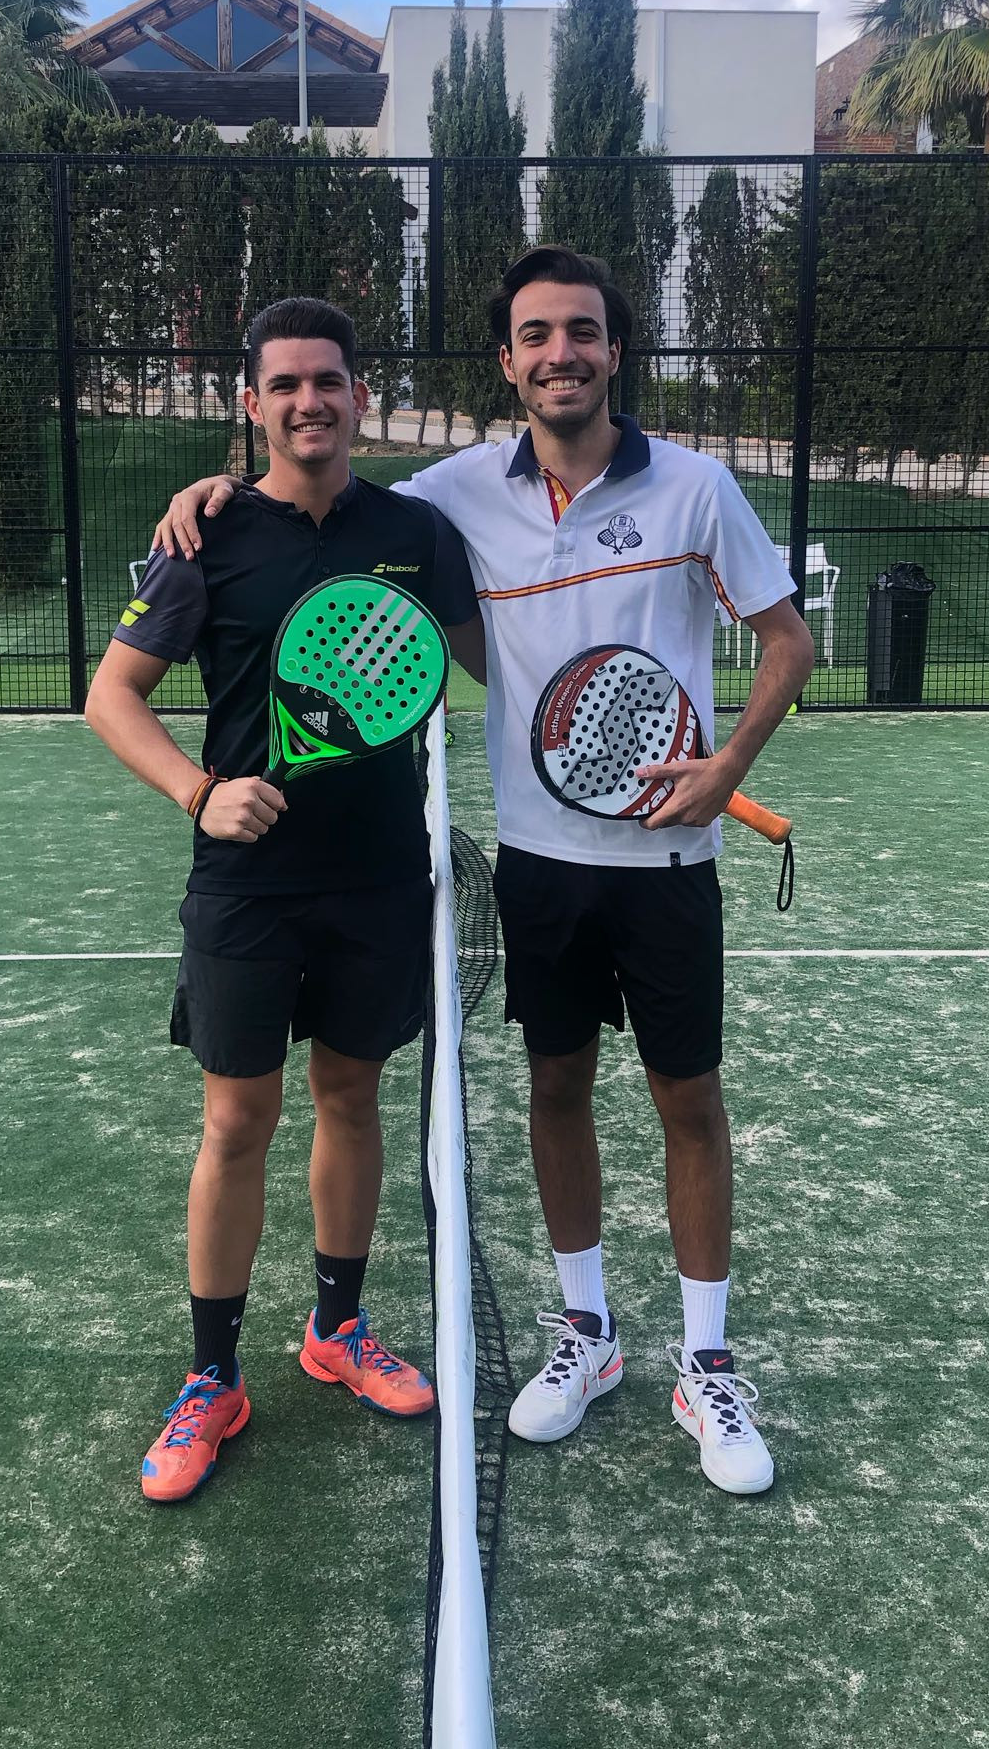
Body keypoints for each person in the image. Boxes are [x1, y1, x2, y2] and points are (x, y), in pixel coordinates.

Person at [154, 248, 815, 1496]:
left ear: (615, 350)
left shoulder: (696, 487)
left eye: (582, 332)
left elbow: (788, 640)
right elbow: (321, 484)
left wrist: (728, 764)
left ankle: (709, 1363)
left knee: (689, 1102)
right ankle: (587, 1334)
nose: (561, 353)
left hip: (669, 857)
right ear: (508, 363)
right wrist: (217, 487)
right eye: (536, 336)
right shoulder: (453, 493)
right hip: (538, 859)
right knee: (557, 1088)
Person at [88, 296, 484, 1505]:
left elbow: (486, 655)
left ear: (361, 395)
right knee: (237, 1121)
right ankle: (212, 1379)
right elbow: (112, 696)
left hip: (379, 877)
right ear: (252, 402)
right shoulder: (204, 537)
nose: (311, 401)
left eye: (330, 380)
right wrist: (200, 792)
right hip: (246, 887)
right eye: (287, 384)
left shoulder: (417, 532)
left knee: (350, 1100)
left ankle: (336, 1331)